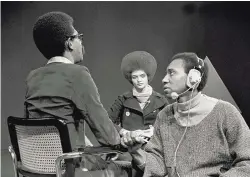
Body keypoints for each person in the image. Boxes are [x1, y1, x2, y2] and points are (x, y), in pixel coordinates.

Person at [24, 11, 126, 176]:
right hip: (68, 166)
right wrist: (127, 140)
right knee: (128, 164)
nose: (81, 42)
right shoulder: (77, 74)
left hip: (36, 165)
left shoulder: (32, 77)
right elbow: (108, 136)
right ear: (69, 43)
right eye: (79, 37)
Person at [140, 52, 250, 177]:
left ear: (194, 78)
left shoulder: (225, 112)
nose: (164, 79)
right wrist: (136, 153)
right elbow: (157, 163)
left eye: (172, 73)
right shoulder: (164, 115)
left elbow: (247, 162)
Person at [108, 51, 168, 177]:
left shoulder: (161, 100)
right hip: (128, 150)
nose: (139, 80)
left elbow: (170, 125)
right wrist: (124, 132)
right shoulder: (123, 99)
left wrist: (154, 131)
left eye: (142, 76)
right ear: (131, 79)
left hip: (153, 151)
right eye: (135, 77)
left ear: (148, 77)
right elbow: (107, 122)